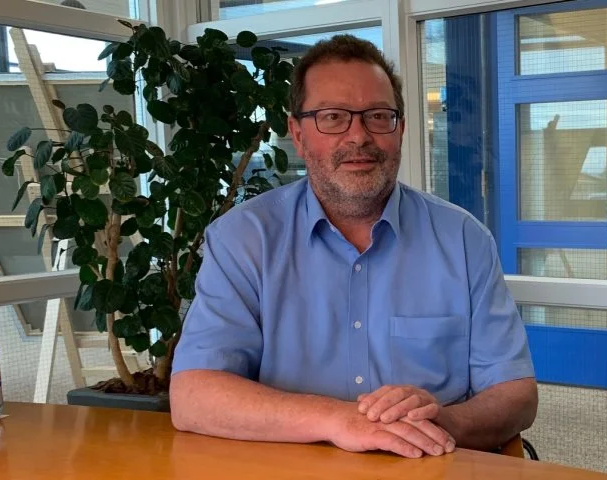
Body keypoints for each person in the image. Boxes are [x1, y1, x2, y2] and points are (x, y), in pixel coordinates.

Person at [170, 35, 538, 458]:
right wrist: (339, 420)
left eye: (378, 116)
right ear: (297, 134)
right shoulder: (244, 239)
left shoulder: (464, 240)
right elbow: (193, 395)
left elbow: (516, 394)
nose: (359, 136)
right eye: (333, 117)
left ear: (400, 129)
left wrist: (442, 422)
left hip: (432, 469)